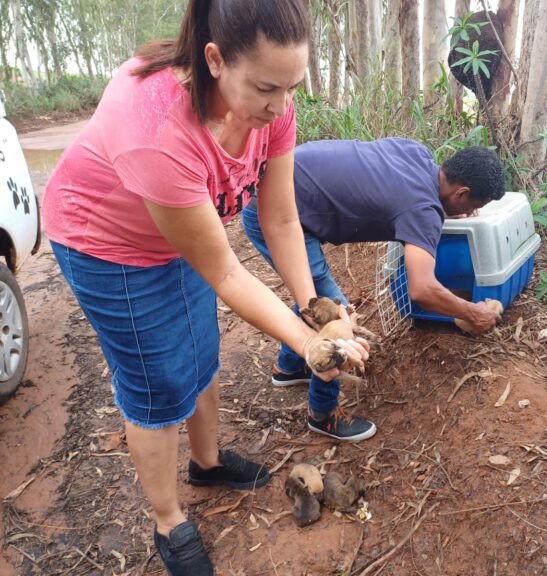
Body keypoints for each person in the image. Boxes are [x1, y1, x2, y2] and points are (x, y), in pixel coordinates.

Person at [41, 1, 369, 574]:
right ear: (215, 60)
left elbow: (282, 219)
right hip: (105, 242)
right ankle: (169, 521)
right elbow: (224, 273)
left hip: (180, 234)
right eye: (268, 88)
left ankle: (208, 463)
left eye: (293, 87)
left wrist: (310, 306)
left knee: (201, 352)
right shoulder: (157, 129)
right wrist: (309, 345)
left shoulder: (271, 106)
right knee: (158, 381)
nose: (282, 106)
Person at [241, 138, 506, 442]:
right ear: (462, 193)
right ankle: (323, 414)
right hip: (275, 212)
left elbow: (392, 193)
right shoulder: (423, 209)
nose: (472, 212)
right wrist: (474, 313)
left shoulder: (417, 153)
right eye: (474, 205)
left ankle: (289, 367)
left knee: (316, 296)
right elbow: (422, 290)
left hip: (282, 186)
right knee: (334, 316)